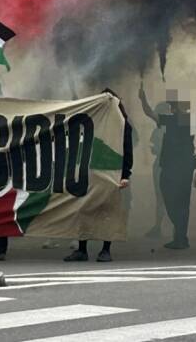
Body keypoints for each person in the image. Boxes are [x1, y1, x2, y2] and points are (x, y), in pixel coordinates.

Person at [65, 89, 134, 262]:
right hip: (89, 173)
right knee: (83, 209)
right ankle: (82, 249)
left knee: (107, 211)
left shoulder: (123, 125)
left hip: (111, 173)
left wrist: (125, 175)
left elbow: (127, 151)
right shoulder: (91, 123)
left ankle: (105, 250)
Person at [139, 85, 195, 249]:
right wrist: (142, 99)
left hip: (178, 168)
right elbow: (150, 113)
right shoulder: (172, 119)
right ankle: (180, 235)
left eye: (172, 104)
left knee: (177, 201)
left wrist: (143, 99)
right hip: (176, 166)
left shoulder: (189, 119)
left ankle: (180, 237)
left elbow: (150, 113)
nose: (170, 107)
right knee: (176, 201)